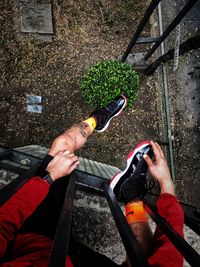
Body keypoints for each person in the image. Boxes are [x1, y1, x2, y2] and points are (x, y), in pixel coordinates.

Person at [0, 95, 184, 267]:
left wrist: (49, 178)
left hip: (31, 243)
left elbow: (4, 221)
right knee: (141, 248)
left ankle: (97, 119)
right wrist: (166, 186)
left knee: (63, 143)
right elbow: (169, 253)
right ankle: (130, 193)